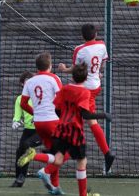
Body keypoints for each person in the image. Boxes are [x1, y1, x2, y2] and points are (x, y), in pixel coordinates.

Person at [18, 63, 111, 196]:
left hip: (61, 130)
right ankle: (83, 195)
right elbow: (85, 114)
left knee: (59, 158)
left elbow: (56, 108)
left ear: (72, 77)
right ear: (85, 79)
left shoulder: (65, 89)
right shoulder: (84, 92)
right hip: (75, 131)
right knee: (81, 161)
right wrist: (103, 115)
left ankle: (36, 158)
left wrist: (63, 120)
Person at [58, 24, 115, 173]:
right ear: (96, 33)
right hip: (96, 86)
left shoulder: (79, 50)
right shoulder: (102, 45)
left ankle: (58, 159)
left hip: (84, 90)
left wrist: (64, 69)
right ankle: (106, 153)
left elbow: (77, 69)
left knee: (77, 119)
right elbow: (102, 65)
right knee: (88, 121)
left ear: (82, 36)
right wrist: (98, 73)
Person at [21, 52, 67, 195]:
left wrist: (35, 112)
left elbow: (23, 103)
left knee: (54, 153)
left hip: (39, 123)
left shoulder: (30, 81)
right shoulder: (54, 78)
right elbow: (61, 100)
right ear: (50, 65)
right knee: (69, 150)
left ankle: (55, 187)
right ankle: (40, 164)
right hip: (52, 120)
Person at [11, 71, 42, 187]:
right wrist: (15, 122)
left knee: (26, 146)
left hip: (42, 129)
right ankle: (19, 178)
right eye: (27, 82)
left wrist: (39, 118)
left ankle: (49, 176)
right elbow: (17, 116)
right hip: (28, 130)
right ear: (22, 84)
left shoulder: (39, 96)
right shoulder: (20, 99)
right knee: (20, 151)